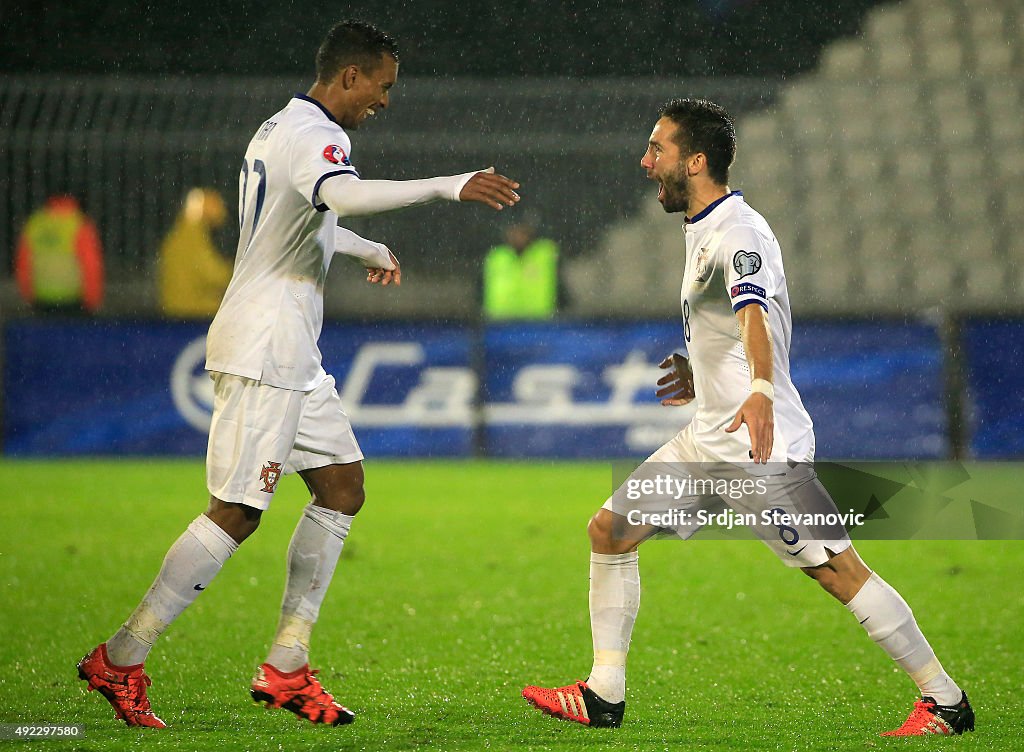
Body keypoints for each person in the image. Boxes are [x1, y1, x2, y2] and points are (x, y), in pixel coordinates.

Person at [77, 19, 520, 729]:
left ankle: (286, 664)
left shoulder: (276, 127)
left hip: (292, 354)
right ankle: (121, 658)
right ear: (350, 75)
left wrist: (367, 245)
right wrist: (447, 184)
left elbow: (298, 219)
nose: (385, 100)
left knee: (342, 488)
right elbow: (337, 195)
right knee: (239, 511)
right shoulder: (322, 138)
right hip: (264, 349)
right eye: (382, 86)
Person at [521, 99, 973, 737]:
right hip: (709, 438)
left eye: (659, 150)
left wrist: (759, 386)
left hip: (759, 448)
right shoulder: (704, 225)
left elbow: (752, 314)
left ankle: (945, 701)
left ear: (696, 161)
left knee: (837, 570)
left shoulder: (739, 232)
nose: (646, 161)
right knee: (610, 531)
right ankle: (603, 693)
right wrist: (699, 368)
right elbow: (729, 328)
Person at [14, 195, 103, 314]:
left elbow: (23, 264)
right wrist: (92, 300)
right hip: (73, 300)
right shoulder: (79, 224)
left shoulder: (35, 223)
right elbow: (91, 266)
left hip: (41, 300)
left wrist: (27, 294)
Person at [157, 188, 234, 318]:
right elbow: (211, 274)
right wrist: (238, 274)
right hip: (194, 312)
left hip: (173, 309)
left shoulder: (178, 235)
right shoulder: (193, 236)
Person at [483, 219, 559, 319]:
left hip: (540, 324)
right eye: (514, 231)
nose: (518, 236)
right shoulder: (496, 256)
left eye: (523, 231)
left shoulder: (546, 253)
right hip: (499, 324)